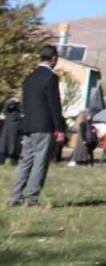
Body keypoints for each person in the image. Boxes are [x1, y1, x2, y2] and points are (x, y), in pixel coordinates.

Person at [8, 45, 67, 207]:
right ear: (54, 58)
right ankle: (31, 198)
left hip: (28, 125)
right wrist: (59, 128)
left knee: (25, 161)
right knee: (40, 162)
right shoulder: (50, 78)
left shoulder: (28, 78)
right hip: (44, 126)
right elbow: (54, 105)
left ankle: (15, 196)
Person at [0, 99, 22, 165]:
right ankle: (3, 161)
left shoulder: (18, 112)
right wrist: (12, 101)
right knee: (5, 147)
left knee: (13, 147)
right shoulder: (10, 111)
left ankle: (13, 162)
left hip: (14, 131)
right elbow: (8, 106)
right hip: (9, 131)